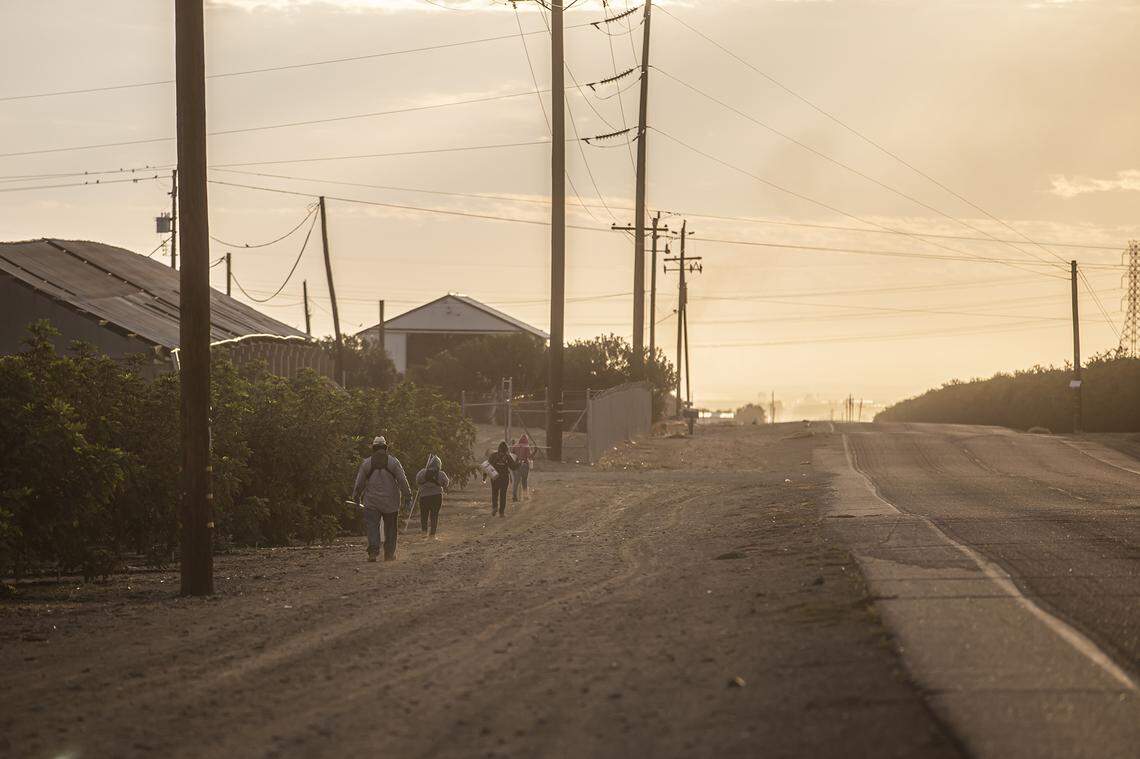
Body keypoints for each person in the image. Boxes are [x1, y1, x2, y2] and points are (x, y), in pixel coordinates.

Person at [352, 436, 412, 562]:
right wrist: (408, 496)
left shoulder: (367, 463)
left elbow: (359, 483)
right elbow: (402, 480)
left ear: (374, 448)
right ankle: (389, 554)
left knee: (372, 527)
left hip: (372, 502)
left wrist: (356, 496)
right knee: (390, 528)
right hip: (391, 502)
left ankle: (373, 553)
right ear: (385, 448)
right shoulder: (393, 462)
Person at [414, 454, 450, 539]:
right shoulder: (441, 474)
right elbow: (446, 483)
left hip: (424, 497)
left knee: (424, 515)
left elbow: (417, 480)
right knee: (434, 515)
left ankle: (424, 532)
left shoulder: (422, 472)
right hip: (436, 496)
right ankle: (432, 535)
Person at [483, 441, 519, 517]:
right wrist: (519, 463)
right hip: (504, 478)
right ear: (506, 449)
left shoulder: (493, 455)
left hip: (495, 477)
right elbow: (513, 467)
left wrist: (484, 476)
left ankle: (494, 507)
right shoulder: (507, 456)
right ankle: (501, 512)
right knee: (503, 495)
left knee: (495, 493)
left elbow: (487, 467)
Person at [511, 434, 533, 502]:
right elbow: (529, 456)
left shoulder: (515, 446)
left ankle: (514, 496)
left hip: (516, 465)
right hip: (524, 466)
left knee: (516, 482)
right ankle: (525, 496)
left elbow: (512, 455)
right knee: (524, 481)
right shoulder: (527, 447)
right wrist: (534, 451)